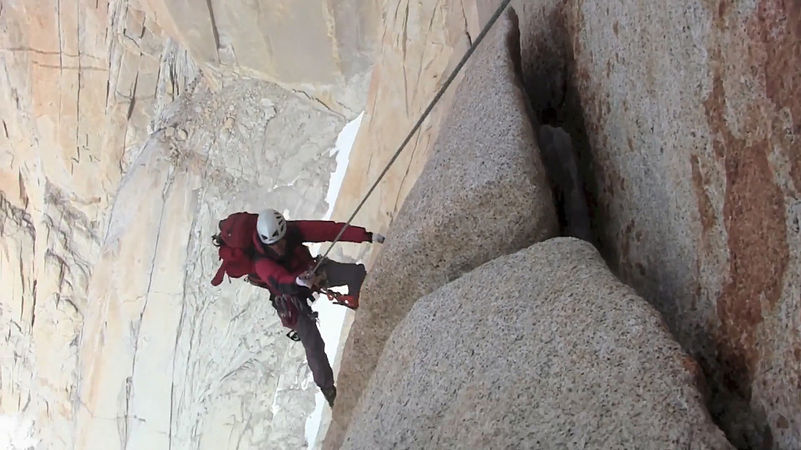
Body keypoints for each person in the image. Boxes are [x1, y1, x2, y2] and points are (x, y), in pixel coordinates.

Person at [210, 208, 384, 407]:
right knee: (314, 344)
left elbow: (327, 231)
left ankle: (361, 306)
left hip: (310, 273)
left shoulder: (292, 231)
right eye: (274, 244)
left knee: (355, 274)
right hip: (290, 297)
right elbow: (277, 279)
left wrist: (366, 236)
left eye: (282, 240)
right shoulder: (261, 262)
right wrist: (297, 282)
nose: (280, 246)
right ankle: (330, 393)